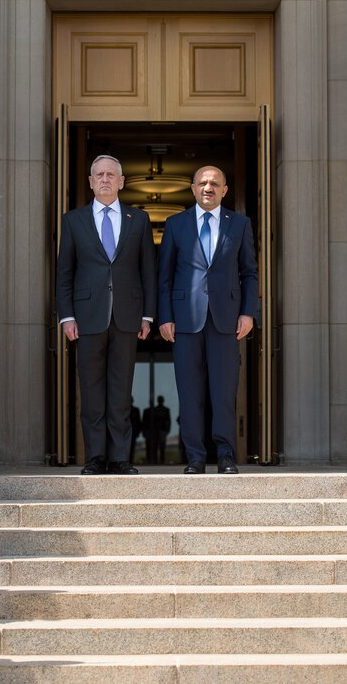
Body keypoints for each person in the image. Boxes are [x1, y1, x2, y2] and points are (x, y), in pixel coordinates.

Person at [56, 155, 156, 475]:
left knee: (120, 391)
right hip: (87, 318)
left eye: (111, 174)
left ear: (121, 181)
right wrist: (67, 315)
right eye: (98, 174)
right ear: (90, 181)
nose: (104, 179)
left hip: (127, 316)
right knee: (92, 391)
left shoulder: (138, 220)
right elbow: (64, 272)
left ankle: (120, 458)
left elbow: (148, 271)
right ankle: (96, 457)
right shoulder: (73, 221)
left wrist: (149, 315)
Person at [158, 166, 258, 474]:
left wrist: (248, 312)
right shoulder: (175, 225)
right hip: (186, 320)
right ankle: (195, 457)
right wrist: (165, 316)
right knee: (190, 393)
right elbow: (164, 276)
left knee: (224, 391)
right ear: (192, 188)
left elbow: (249, 273)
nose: (208, 188)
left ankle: (225, 455)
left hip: (226, 320)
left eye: (215, 183)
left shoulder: (239, 224)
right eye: (202, 183)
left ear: (225, 190)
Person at [143, 395, 171, 464]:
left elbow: (168, 421)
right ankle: (156, 460)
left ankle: (160, 460)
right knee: (156, 446)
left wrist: (166, 430)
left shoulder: (164, 410)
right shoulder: (158, 410)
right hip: (157, 431)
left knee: (160, 446)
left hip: (161, 430)